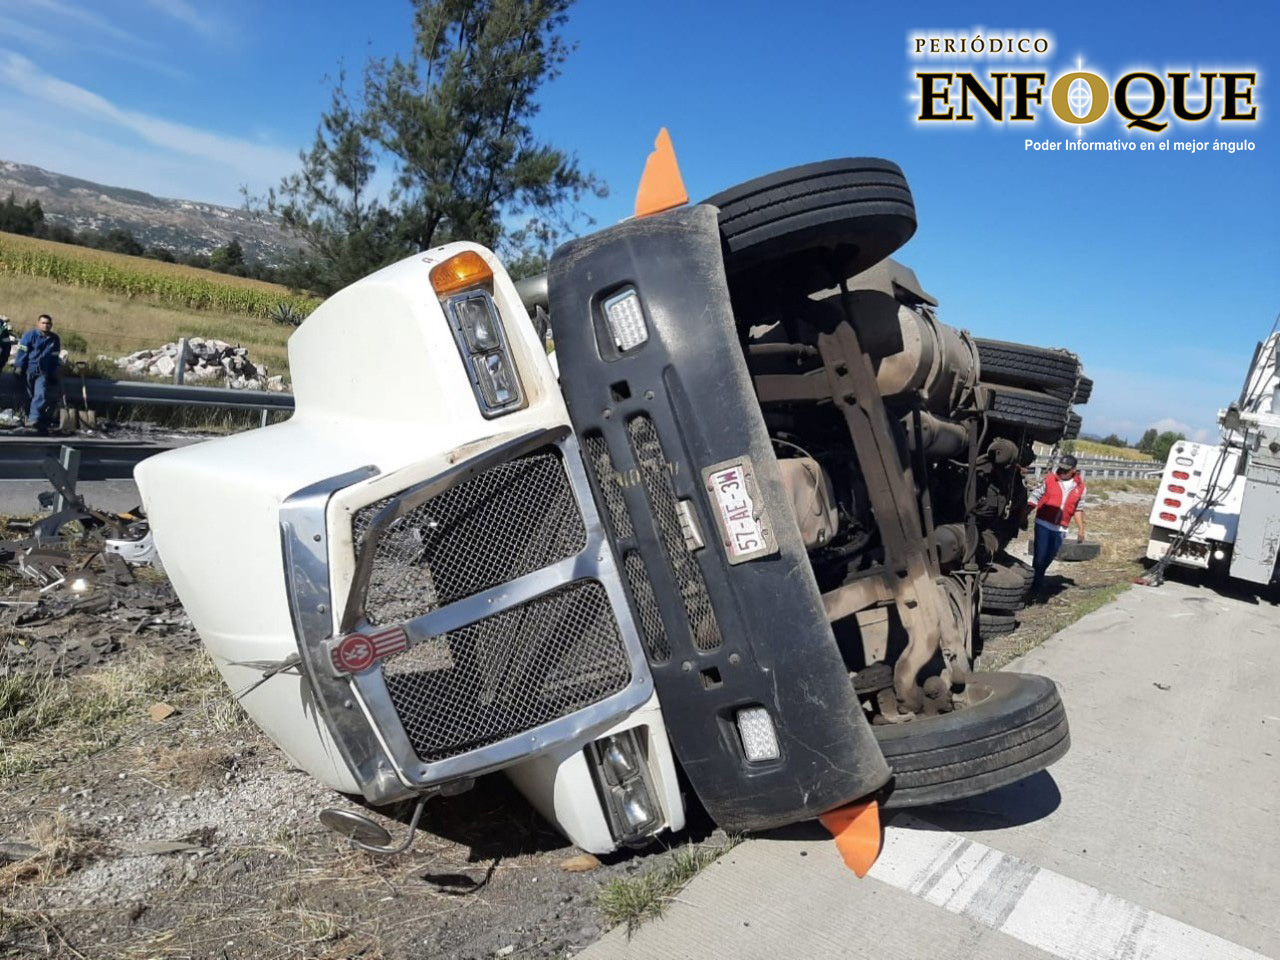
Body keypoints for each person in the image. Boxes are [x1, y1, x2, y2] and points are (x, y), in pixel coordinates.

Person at [1026, 454, 1086, 595]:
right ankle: (1035, 585)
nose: (1062, 472)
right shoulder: (1050, 479)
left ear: (1074, 470)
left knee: (1049, 556)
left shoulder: (1080, 487)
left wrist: (1081, 529)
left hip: (1061, 527)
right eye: (1061, 468)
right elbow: (1035, 496)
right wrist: (1026, 512)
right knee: (1040, 556)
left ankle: (1036, 578)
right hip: (1043, 523)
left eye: (1066, 470)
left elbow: (1078, 509)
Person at [14, 313, 62, 435]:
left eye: (48, 323)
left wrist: (54, 371)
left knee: (40, 395)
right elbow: (22, 351)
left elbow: (55, 356)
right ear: (38, 323)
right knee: (28, 395)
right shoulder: (29, 336)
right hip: (29, 369)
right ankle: (25, 417)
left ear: (51, 325)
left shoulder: (54, 339)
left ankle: (33, 420)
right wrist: (19, 366)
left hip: (44, 372)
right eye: (43, 323)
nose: (45, 325)